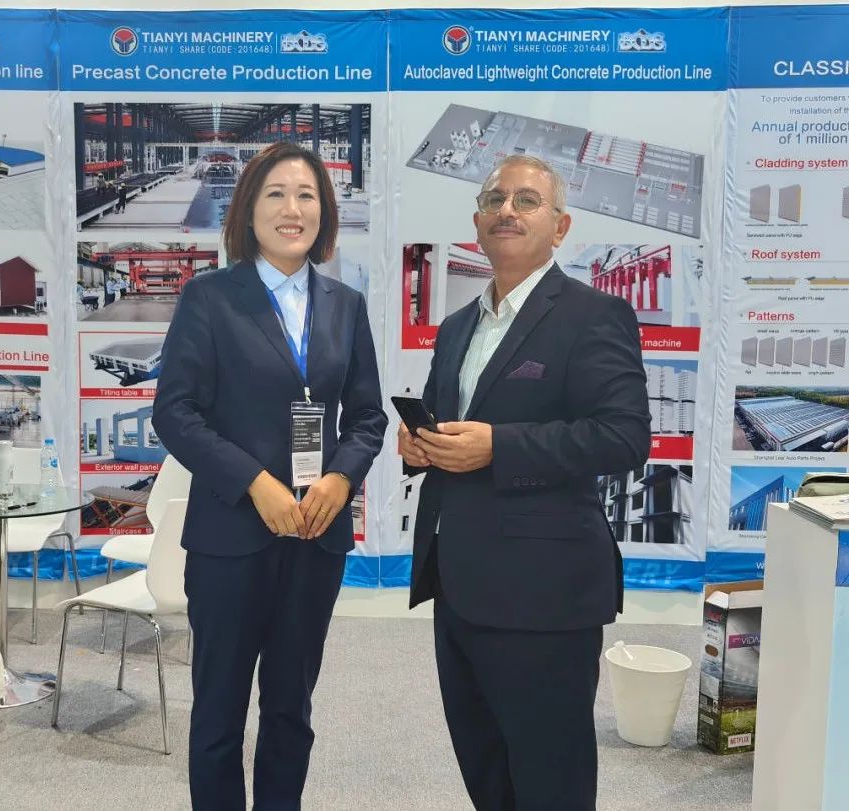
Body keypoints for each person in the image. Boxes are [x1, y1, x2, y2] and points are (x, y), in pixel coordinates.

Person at [399, 155, 651, 811]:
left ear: (560, 227)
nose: (507, 210)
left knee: (550, 780)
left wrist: (499, 447)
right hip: (457, 584)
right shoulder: (458, 326)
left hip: (545, 593)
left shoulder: (594, 315)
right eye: (495, 199)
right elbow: (449, 425)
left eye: (527, 200)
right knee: (487, 772)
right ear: (478, 222)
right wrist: (420, 447)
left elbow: (624, 437)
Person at [153, 141, 387, 810]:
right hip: (231, 537)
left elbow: (367, 417)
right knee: (219, 713)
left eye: (307, 195)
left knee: (291, 709)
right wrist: (256, 483)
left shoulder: (345, 305)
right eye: (276, 194)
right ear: (249, 210)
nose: (293, 209)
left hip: (316, 537)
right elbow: (175, 412)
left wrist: (340, 480)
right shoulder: (210, 298)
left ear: (324, 212)